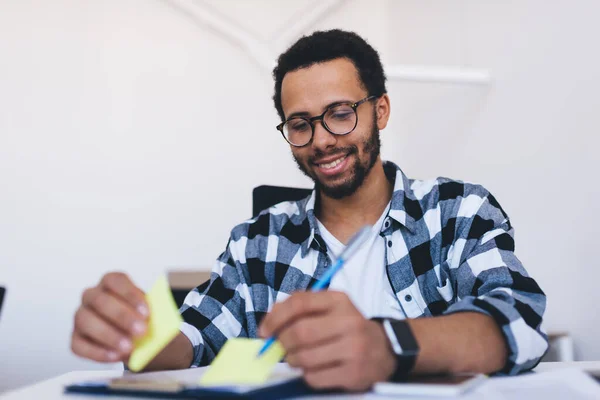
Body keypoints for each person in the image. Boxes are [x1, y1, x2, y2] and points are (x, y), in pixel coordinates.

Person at [70, 29, 548, 391]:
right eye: (300, 124)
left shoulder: (457, 211)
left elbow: (515, 319)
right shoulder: (258, 242)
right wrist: (137, 337)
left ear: (380, 110)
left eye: (340, 113)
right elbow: (194, 341)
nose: (321, 140)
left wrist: (386, 346)